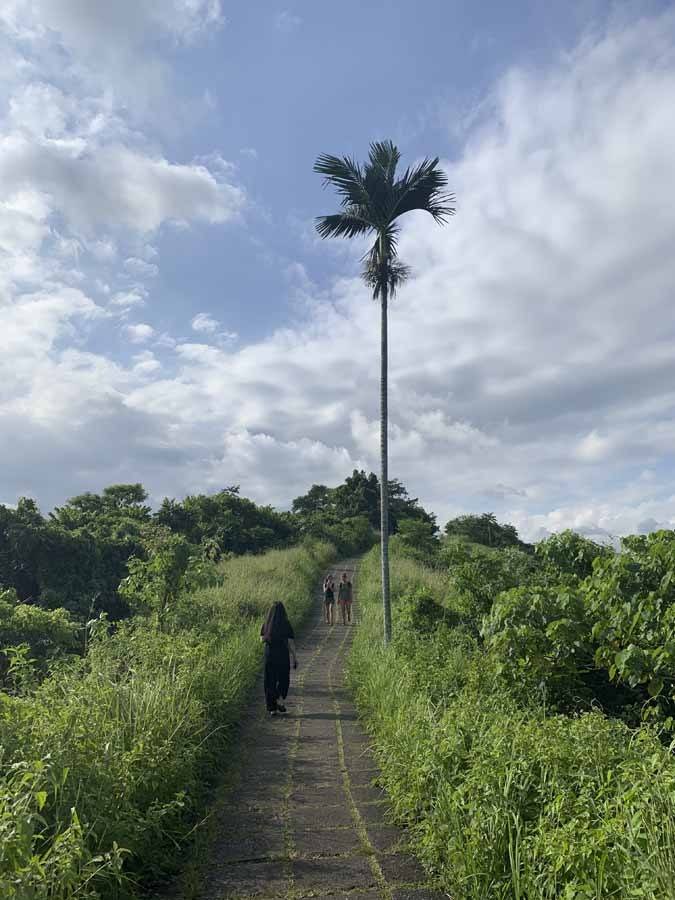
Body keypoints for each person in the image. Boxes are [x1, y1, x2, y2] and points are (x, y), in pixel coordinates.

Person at [260, 601, 297, 716]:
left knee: (270, 681)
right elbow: (291, 643)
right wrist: (294, 658)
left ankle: (272, 708)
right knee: (283, 679)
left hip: (269, 654)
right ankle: (279, 699)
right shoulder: (286, 624)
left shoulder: (266, 624)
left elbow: (261, 639)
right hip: (282, 655)